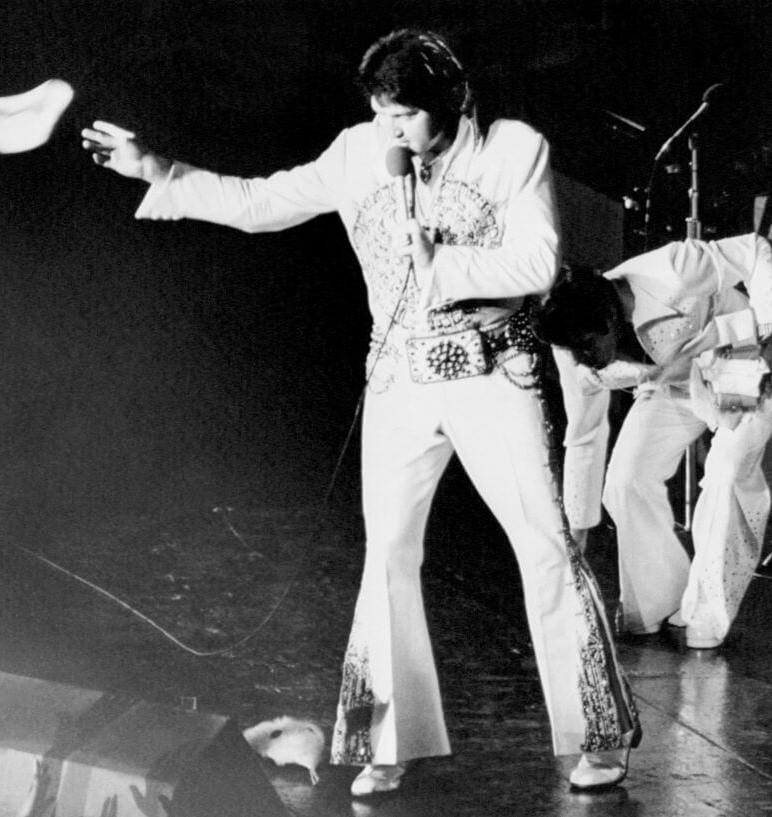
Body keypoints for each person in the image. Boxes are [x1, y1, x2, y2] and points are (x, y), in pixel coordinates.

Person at [82, 27, 639, 794]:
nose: (390, 129)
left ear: (452, 100)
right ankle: (388, 738)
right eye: (380, 112)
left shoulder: (514, 149)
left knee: (546, 545)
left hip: (495, 371)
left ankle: (598, 735)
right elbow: (262, 201)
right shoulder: (356, 152)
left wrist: (440, 263)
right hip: (400, 378)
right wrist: (164, 171)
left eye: (405, 114)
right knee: (385, 556)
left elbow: (539, 261)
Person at [534, 234, 772, 650]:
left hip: (743, 362)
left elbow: (755, 249)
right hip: (677, 384)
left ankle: (708, 611)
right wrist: (576, 541)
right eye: (574, 352)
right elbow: (584, 434)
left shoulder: (674, 269)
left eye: (587, 346)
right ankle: (660, 600)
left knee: (726, 474)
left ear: (606, 319)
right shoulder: (573, 342)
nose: (584, 359)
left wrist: (769, 328)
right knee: (625, 480)